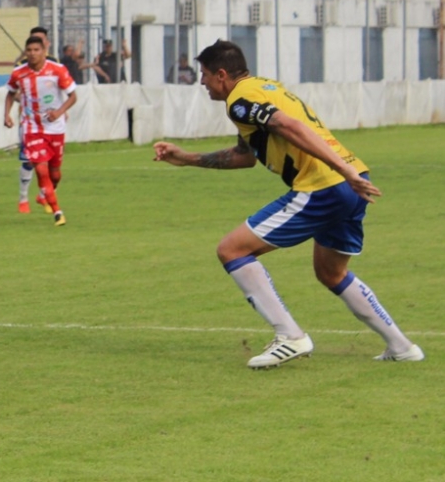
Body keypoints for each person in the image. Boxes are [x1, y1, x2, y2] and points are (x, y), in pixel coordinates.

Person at [153, 40, 424, 368]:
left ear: (222, 75)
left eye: (205, 75)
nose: (202, 83)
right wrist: (187, 158)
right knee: (332, 272)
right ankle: (401, 345)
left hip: (325, 187)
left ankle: (290, 335)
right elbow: (245, 156)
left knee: (232, 250)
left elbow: (290, 127)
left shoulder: (240, 99)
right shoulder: (265, 88)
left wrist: (343, 170)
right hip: (350, 185)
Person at [4, 36, 77, 227]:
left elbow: (73, 96)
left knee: (55, 175)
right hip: (32, 128)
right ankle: (57, 212)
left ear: (44, 51)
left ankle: (43, 195)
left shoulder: (57, 70)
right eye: (29, 50)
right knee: (41, 170)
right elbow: (10, 93)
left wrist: (59, 112)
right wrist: (7, 114)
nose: (32, 53)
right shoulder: (19, 73)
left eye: (36, 50)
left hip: (55, 128)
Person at [13, 26, 58, 214]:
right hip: (30, 122)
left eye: (40, 41)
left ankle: (42, 195)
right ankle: (23, 198)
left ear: (46, 44)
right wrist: (29, 101)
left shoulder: (54, 64)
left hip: (51, 123)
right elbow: (14, 92)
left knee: (49, 163)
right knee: (30, 161)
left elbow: (58, 91)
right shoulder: (22, 67)